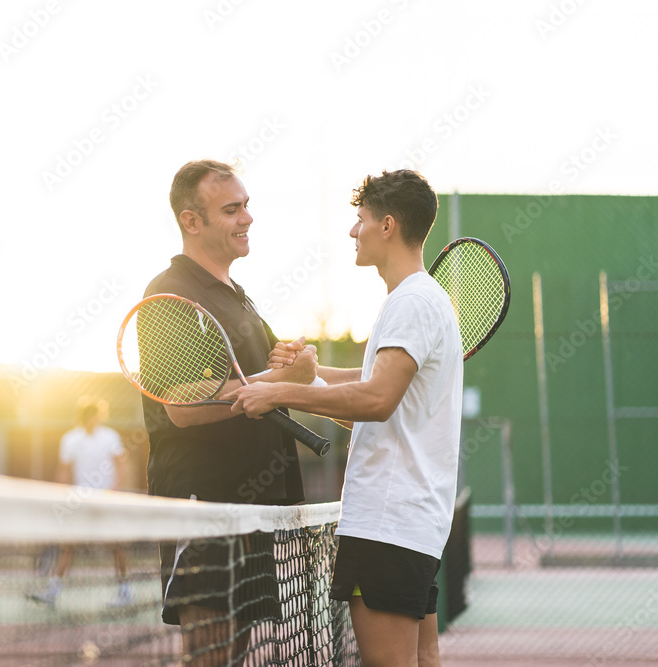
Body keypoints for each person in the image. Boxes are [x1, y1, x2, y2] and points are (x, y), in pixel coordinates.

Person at [226, 169, 463, 667]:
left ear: (388, 226)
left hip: (388, 524)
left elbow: (375, 400)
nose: (353, 231)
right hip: (407, 524)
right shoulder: (419, 300)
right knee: (425, 659)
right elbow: (376, 394)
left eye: (361, 220)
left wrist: (279, 395)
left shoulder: (412, 302)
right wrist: (309, 375)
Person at [142, 159, 318, 666]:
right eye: (231, 209)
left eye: (247, 206)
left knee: (234, 655)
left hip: (253, 503)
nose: (247, 218)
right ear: (190, 221)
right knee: (211, 655)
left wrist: (283, 366)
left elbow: (259, 383)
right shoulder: (169, 293)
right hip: (204, 501)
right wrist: (281, 379)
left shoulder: (239, 298)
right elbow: (181, 404)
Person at [28, 397, 132, 608]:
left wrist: (115, 489)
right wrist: (59, 497)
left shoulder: (110, 436)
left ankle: (124, 592)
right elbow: (64, 470)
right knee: (68, 546)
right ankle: (53, 591)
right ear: (84, 416)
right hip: (79, 500)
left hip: (106, 500)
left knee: (116, 545)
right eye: (91, 415)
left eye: (97, 415)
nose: (94, 418)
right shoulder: (70, 439)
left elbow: (122, 463)